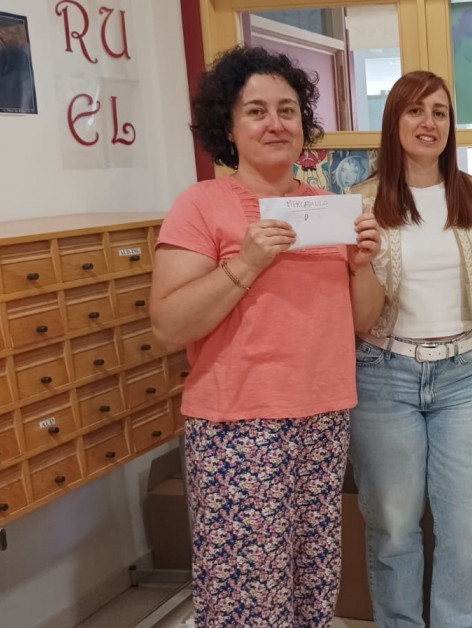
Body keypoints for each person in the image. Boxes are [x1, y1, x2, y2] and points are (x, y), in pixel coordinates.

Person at [150, 46, 382, 625]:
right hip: (237, 425)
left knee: (312, 579)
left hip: (323, 415)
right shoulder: (200, 206)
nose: (275, 123)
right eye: (256, 111)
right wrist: (245, 263)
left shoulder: (329, 210)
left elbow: (362, 322)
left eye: (287, 109)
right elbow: (168, 325)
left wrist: (367, 262)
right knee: (246, 592)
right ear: (226, 125)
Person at [347, 70, 472, 627]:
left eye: (440, 112)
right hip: (383, 373)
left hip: (465, 375)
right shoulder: (361, 203)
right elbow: (359, 318)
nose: (429, 123)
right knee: (393, 527)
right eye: (415, 111)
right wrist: (360, 262)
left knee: (471, 525)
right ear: (394, 121)